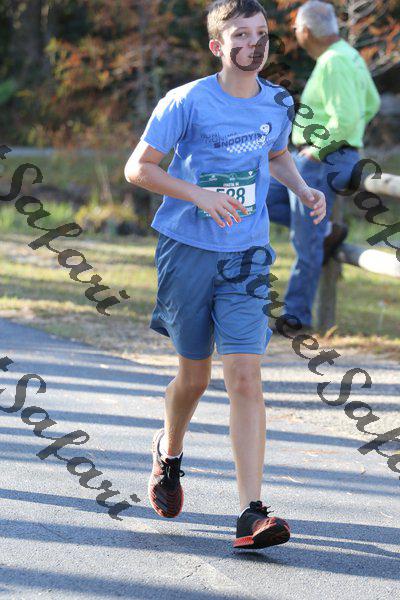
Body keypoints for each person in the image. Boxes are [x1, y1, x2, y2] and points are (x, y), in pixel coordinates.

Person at [124, 0, 325, 550]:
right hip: (187, 251)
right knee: (193, 379)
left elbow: (276, 154)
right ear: (218, 46)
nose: (254, 44)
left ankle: (251, 512)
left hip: (247, 254)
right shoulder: (185, 101)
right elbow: (138, 168)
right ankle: (169, 452)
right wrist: (199, 196)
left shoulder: (278, 101)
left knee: (245, 376)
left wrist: (301, 187)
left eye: (262, 34)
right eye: (241, 35)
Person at [267, 0, 381, 330]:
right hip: (330, 155)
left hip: (323, 159)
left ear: (305, 31)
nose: (295, 33)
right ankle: (327, 231)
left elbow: (344, 118)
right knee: (265, 197)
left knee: (306, 242)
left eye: (296, 28)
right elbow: (372, 103)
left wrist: (319, 149)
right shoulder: (349, 56)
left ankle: (296, 316)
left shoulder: (334, 62)